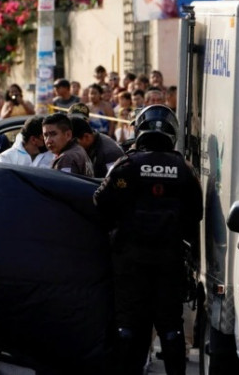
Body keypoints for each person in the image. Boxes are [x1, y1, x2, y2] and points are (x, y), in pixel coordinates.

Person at [92, 105, 203, 375]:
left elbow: (100, 203)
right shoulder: (183, 168)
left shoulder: (126, 165)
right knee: (171, 325)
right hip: (169, 259)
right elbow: (196, 214)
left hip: (129, 259)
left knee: (128, 323)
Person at [42, 112, 93, 177]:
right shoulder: (78, 149)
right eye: (45, 135)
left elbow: (63, 186)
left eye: (53, 134)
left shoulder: (67, 158)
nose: (48, 141)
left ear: (68, 135)